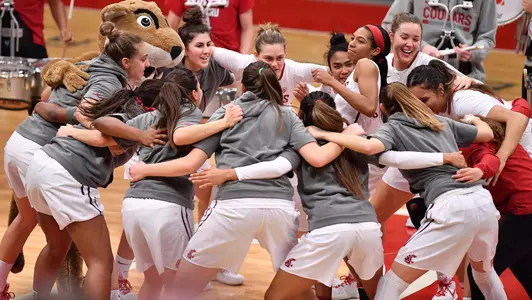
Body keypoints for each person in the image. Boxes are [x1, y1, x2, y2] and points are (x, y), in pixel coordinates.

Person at [188, 91, 469, 300]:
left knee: (274, 297)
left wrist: (227, 173)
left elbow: (276, 166)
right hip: (367, 229)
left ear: (301, 119)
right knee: (376, 296)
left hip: (328, 231)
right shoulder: (356, 142)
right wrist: (442, 156)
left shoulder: (301, 143)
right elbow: (396, 158)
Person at [308, 82, 506, 300]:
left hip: (451, 206)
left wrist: (324, 134)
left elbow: (369, 148)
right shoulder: (439, 121)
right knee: (484, 274)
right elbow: (487, 133)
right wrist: (474, 118)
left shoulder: (392, 127)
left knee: (392, 283)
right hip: (482, 202)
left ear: (382, 108)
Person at [0, 22, 146, 299]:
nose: (147, 64)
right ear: (125, 61)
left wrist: (57, 112)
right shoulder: (109, 81)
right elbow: (85, 112)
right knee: (99, 258)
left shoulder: (88, 63)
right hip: (50, 155)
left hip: (28, 147)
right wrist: (104, 133)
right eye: (143, 58)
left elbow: (43, 100)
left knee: (53, 240)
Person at [382, 0, 496, 82]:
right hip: (417, 77)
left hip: (465, 77)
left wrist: (473, 53)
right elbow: (389, 26)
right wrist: (422, 46)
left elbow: (487, 38)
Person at [166, 0, 254, 54]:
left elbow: (247, 29)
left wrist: (243, 59)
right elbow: (169, 28)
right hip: (194, 55)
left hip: (228, 55)